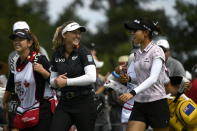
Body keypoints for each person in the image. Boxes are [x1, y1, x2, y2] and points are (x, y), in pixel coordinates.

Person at [118, 18, 170, 131]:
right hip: (140, 104)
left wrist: (132, 92)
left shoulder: (157, 51)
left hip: (157, 103)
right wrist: (130, 79)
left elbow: (153, 78)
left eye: (135, 30)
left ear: (145, 33)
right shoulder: (137, 54)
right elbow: (141, 79)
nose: (132, 33)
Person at [2, 22, 54, 131]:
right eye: (15, 39)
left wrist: (43, 72)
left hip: (42, 111)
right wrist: (4, 101)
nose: (16, 42)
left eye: (20, 39)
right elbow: (11, 84)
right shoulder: (15, 61)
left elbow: (55, 82)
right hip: (25, 111)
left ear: (29, 42)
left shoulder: (40, 59)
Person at [50, 21, 97, 131]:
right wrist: (56, 81)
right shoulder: (56, 54)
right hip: (65, 103)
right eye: (74, 33)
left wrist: (67, 82)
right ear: (65, 35)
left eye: (79, 33)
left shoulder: (84, 52)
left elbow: (91, 77)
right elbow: (52, 80)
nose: (78, 36)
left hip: (84, 102)